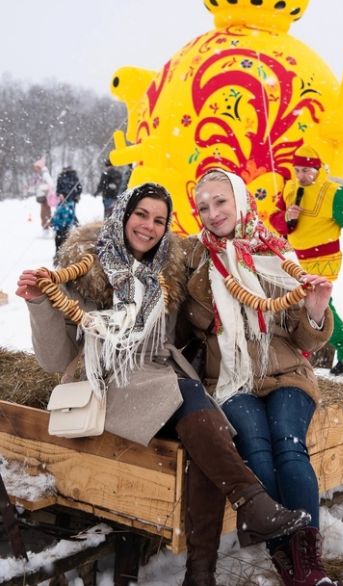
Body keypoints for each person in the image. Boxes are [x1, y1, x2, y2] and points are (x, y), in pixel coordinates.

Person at [16, 182, 310, 586]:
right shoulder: (83, 269)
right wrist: (38, 303)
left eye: (159, 220)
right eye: (141, 215)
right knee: (196, 404)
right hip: (105, 379)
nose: (149, 227)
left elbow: (196, 320)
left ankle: (202, 572)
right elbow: (53, 359)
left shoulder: (167, 274)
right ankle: (249, 503)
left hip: (160, 379)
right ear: (122, 214)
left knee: (206, 431)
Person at [178, 169, 343, 586]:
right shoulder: (193, 260)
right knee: (255, 449)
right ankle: (284, 558)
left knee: (288, 445)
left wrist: (316, 310)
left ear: (239, 200)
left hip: (286, 373)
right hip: (232, 380)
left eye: (220, 202)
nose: (213, 214)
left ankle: (308, 561)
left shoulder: (275, 252)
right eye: (203, 207)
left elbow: (306, 338)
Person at [270, 146, 343, 376]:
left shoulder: (333, 192)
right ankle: (313, 353)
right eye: (297, 170)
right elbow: (275, 220)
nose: (301, 175)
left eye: (306, 170)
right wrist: (286, 218)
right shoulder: (289, 187)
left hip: (323, 260)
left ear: (317, 169)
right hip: (298, 260)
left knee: (320, 305)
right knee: (306, 306)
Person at [49, 194, 76, 261]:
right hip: (58, 228)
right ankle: (57, 254)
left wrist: (67, 224)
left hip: (65, 227)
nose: (60, 197)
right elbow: (56, 216)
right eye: (59, 196)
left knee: (64, 241)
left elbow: (71, 217)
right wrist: (53, 221)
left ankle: (63, 255)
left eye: (62, 196)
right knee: (57, 241)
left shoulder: (68, 206)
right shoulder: (59, 205)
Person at [31, 157, 55, 230]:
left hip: (45, 197)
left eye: (35, 167)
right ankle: (47, 227)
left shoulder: (44, 174)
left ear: (39, 167)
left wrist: (42, 188)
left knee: (45, 213)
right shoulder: (40, 174)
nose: (35, 169)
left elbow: (51, 183)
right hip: (43, 197)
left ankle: (47, 227)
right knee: (45, 213)